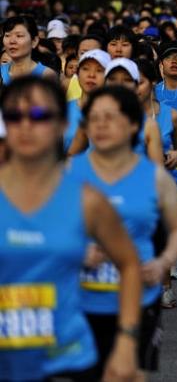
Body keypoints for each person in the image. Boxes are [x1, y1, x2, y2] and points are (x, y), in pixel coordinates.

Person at [0, 76, 141, 381]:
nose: (26, 125)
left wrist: (127, 341)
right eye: (13, 115)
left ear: (63, 124)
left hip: (68, 361)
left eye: (39, 115)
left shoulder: (88, 200)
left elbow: (130, 264)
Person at [71, 85, 177, 379]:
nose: (101, 125)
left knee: (130, 374)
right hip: (81, 302)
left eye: (111, 117)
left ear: (133, 125)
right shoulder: (68, 173)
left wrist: (164, 262)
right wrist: (75, 250)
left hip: (140, 299)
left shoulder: (154, 177)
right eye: (94, 118)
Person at [1, 16, 57, 83]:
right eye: (7, 35)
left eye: (19, 36)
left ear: (34, 41)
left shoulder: (46, 75)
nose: (12, 41)